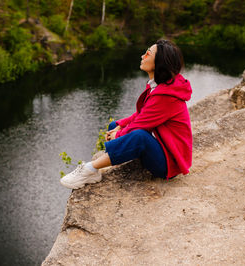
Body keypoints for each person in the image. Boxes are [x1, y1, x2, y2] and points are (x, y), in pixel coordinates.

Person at [60, 39, 192, 190]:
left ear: (160, 62)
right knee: (114, 125)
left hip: (169, 163)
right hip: (161, 146)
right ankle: (113, 157)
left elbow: (141, 123)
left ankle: (90, 169)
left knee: (139, 137)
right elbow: (143, 113)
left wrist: (118, 135)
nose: (143, 56)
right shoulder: (161, 86)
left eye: (148, 53)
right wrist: (120, 126)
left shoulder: (167, 96)